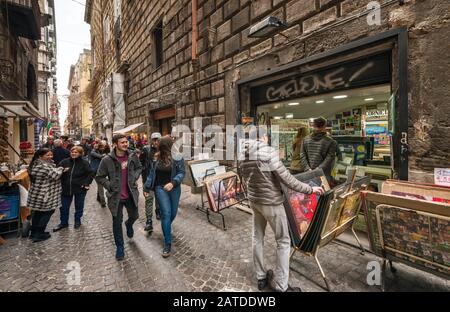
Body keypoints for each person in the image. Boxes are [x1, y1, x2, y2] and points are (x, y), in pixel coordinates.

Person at [240, 126, 324, 292]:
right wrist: (310, 189)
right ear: (263, 137)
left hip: (255, 201)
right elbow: (286, 179)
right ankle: (281, 286)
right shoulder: (268, 152)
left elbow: (243, 177)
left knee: (257, 237)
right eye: (267, 137)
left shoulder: (243, 154)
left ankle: (261, 277)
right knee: (283, 242)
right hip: (271, 202)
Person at [96, 134, 142, 261]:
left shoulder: (132, 156)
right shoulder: (106, 160)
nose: (125, 144)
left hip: (131, 194)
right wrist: (109, 185)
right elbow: (99, 177)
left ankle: (129, 224)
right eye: (122, 142)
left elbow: (139, 168)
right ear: (115, 144)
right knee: (117, 223)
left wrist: (135, 176)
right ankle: (120, 247)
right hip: (115, 197)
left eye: (126, 142)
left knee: (134, 216)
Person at [143, 135, 185, 258]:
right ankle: (167, 243)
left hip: (174, 189)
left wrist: (173, 182)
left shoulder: (178, 157)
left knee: (173, 214)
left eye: (160, 144)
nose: (156, 145)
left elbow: (182, 172)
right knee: (166, 214)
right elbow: (151, 174)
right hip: (160, 189)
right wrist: (146, 187)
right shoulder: (156, 158)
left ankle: (166, 226)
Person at [27, 148, 67, 242]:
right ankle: (39, 234)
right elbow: (55, 175)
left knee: (38, 212)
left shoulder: (37, 164)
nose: (50, 157)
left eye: (51, 155)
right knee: (48, 212)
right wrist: (61, 169)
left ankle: (34, 233)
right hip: (45, 194)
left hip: (38, 193)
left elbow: (51, 172)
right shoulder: (42, 166)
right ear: (40, 156)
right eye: (47, 155)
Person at [53, 146, 94, 231]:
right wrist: (62, 171)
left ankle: (77, 221)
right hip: (65, 188)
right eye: (72, 152)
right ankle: (63, 223)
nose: (73, 153)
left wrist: (86, 183)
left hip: (80, 188)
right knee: (64, 207)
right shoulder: (64, 162)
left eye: (76, 152)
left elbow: (90, 173)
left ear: (80, 153)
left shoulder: (84, 163)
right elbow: (56, 171)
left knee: (79, 206)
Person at [300, 117, 338, 184]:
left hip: (308, 174)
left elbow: (302, 155)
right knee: (323, 193)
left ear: (313, 125)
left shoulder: (305, 140)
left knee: (310, 193)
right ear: (324, 126)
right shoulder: (331, 142)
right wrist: (318, 169)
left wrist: (307, 169)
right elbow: (329, 159)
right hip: (323, 175)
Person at [139, 132, 162, 233]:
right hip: (148, 180)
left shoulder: (164, 150)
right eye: (154, 139)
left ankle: (158, 211)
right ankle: (149, 221)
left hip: (160, 180)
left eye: (158, 139)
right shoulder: (146, 150)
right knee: (149, 200)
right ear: (151, 140)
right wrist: (144, 175)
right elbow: (140, 163)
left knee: (159, 198)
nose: (156, 141)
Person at [89, 140, 110, 208]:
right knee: (100, 185)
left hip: (101, 171)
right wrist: (103, 155)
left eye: (104, 147)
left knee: (99, 184)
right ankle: (102, 201)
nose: (103, 148)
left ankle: (99, 198)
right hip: (95, 171)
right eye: (102, 147)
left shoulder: (102, 151)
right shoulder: (93, 152)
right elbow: (100, 156)